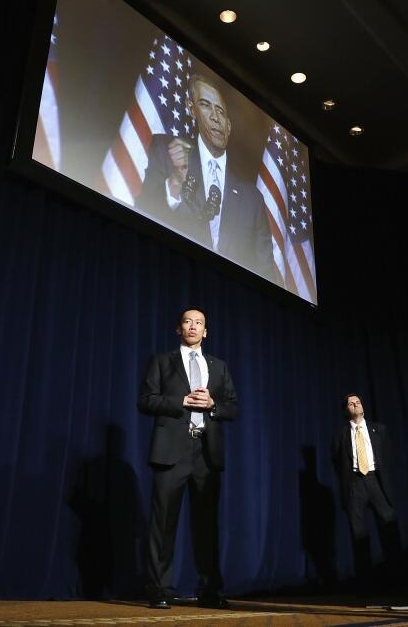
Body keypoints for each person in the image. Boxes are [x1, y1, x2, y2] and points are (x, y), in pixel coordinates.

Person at [137, 307, 238, 610]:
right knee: (163, 524)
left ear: (205, 332)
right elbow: (145, 400)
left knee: (206, 526)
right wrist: (179, 401)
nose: (193, 326)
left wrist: (213, 404)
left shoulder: (218, 367)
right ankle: (160, 590)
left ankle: (209, 591)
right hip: (171, 451)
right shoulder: (162, 361)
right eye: (187, 322)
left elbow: (234, 407)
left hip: (206, 454)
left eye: (199, 323)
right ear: (178, 329)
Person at [136, 75, 278, 283]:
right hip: (166, 278)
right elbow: (143, 211)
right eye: (205, 105)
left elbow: (265, 273)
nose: (214, 117)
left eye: (220, 111)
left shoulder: (252, 198)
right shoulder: (167, 150)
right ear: (191, 109)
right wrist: (175, 183)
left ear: (229, 126)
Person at [331, 394, 407, 605]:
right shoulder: (341, 434)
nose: (355, 404)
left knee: (390, 531)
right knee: (359, 536)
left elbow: (388, 455)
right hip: (355, 485)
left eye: (358, 402)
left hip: (376, 482)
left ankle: (398, 583)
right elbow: (336, 461)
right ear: (346, 409)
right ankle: (366, 587)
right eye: (350, 403)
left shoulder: (379, 429)